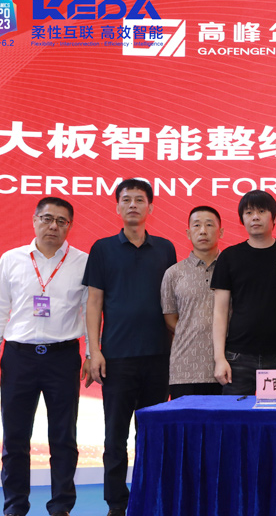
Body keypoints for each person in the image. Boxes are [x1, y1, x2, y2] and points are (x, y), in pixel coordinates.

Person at [0, 197, 90, 516]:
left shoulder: (83, 262)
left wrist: (92, 353)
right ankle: (15, 505)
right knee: (15, 437)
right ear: (34, 220)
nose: (53, 226)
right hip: (19, 357)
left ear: (70, 226)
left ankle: (61, 506)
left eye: (61, 221)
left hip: (63, 357)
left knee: (63, 436)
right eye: (47, 219)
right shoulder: (12, 259)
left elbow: (90, 311)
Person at [83, 178, 176, 516]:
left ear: (150, 206)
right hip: (117, 357)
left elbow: (171, 304)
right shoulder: (103, 248)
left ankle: (150, 495)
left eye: (139, 199)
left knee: (151, 434)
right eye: (126, 199)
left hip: (158, 356)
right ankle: (116, 503)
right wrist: (94, 351)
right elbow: (94, 303)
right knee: (115, 436)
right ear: (117, 207)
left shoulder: (165, 248)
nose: (133, 205)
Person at [211, 191, 276, 395]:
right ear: (242, 219)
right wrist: (219, 358)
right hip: (237, 357)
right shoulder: (229, 257)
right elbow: (220, 312)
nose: (255, 217)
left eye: (262, 211)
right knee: (234, 415)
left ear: (274, 217)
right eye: (249, 213)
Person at [160, 206, 224, 398]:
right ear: (188, 233)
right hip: (185, 369)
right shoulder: (173, 273)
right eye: (197, 225)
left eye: (209, 225)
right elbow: (170, 319)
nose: (203, 231)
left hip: (226, 368)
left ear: (220, 232)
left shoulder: (232, 270)